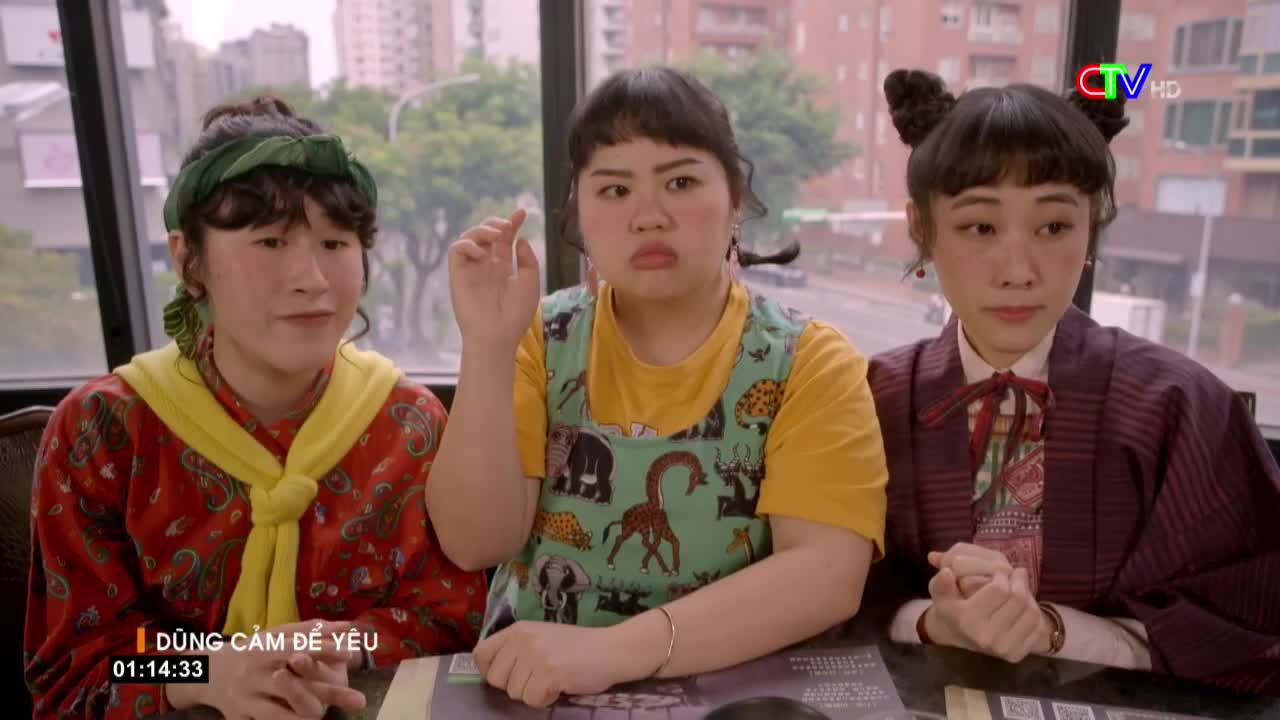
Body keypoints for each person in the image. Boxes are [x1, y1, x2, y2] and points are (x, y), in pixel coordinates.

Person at [427, 66, 889, 707]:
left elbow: (825, 579)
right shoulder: (538, 338)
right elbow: (477, 541)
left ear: (735, 201)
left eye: (680, 181)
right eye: (614, 190)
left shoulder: (811, 361)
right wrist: (485, 344)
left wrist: (610, 652)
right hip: (534, 690)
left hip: (734, 700)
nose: (648, 215)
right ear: (580, 214)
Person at [24, 96, 488, 720]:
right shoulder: (105, 429)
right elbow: (80, 658)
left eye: (335, 241)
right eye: (270, 241)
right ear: (189, 260)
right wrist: (206, 667)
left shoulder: (407, 421)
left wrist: (338, 643)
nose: (312, 278)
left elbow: (454, 615)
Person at [866, 69, 1280, 694]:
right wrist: (930, 622)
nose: (1018, 270)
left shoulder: (1184, 407)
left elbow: (1245, 620)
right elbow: (823, 586)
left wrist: (1052, 630)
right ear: (921, 229)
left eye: (1054, 227)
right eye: (980, 227)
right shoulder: (874, 396)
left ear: (1092, 228)